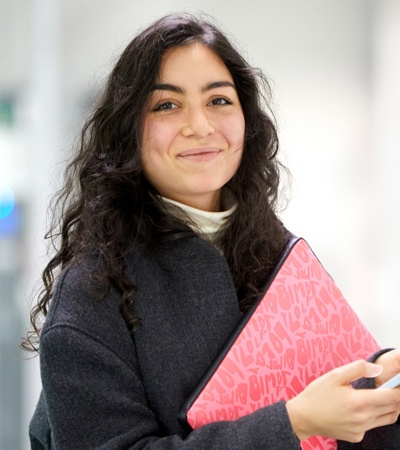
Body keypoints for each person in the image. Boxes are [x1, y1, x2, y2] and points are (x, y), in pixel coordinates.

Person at [24, 12, 400, 450]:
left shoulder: (275, 248)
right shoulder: (92, 292)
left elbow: (332, 400)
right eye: (166, 105)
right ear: (128, 131)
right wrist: (291, 424)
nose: (200, 126)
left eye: (219, 100)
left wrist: (379, 387)